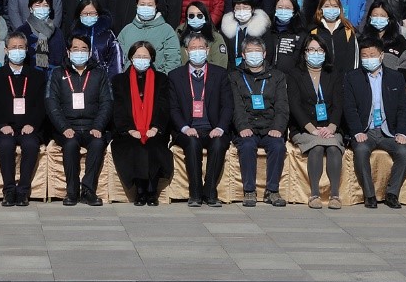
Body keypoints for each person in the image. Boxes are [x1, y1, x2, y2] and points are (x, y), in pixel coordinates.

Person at [342, 39, 406, 209]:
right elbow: (349, 108)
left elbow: (403, 108)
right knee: (361, 150)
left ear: (381, 56)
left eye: (372, 55)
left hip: (388, 131)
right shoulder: (352, 77)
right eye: (364, 56)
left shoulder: (396, 77)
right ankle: (369, 195)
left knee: (404, 152)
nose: (368, 59)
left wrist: (402, 132)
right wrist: (357, 131)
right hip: (366, 130)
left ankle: (392, 194)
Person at [46, 33, 113, 206]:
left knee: (97, 144)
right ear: (68, 52)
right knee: (70, 145)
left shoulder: (99, 74)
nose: (80, 52)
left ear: (89, 52)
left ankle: (88, 190)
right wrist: (64, 127)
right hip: (68, 127)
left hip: (92, 127)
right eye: (75, 49)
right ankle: (72, 191)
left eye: (84, 49)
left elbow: (107, 103)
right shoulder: (57, 73)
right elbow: (51, 103)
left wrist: (98, 126)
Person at [169, 33, 233, 207]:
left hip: (213, 127)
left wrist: (220, 127)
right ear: (186, 51)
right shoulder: (175, 76)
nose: (197, 51)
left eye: (200, 48)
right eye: (193, 48)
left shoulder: (220, 74)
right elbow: (173, 108)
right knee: (192, 143)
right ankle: (195, 193)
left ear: (207, 50)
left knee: (219, 144)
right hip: (188, 128)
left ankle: (210, 192)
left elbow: (227, 106)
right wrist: (184, 127)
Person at [0, 31, 47, 206]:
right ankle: (9, 190)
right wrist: (1, 125)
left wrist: (33, 124)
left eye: (21, 47)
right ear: (6, 50)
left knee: (31, 144)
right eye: (13, 47)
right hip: (5, 127)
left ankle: (23, 191)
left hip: (29, 126)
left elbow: (42, 105)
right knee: (5, 145)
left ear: (27, 50)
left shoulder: (37, 76)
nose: (17, 51)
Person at [110, 40, 173, 206]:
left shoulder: (161, 79)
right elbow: (119, 108)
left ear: (152, 58)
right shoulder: (119, 80)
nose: (141, 59)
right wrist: (130, 129)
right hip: (128, 130)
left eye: (145, 56)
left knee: (153, 144)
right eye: (138, 56)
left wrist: (156, 127)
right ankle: (140, 190)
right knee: (136, 146)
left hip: (154, 129)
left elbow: (163, 106)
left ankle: (151, 190)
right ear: (131, 58)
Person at [230, 35, 289, 207]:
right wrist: (242, 126)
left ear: (264, 54)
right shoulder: (235, 76)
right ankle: (249, 190)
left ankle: (272, 191)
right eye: (249, 51)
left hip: (270, 126)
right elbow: (236, 106)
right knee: (247, 145)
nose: (253, 55)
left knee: (278, 146)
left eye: (257, 51)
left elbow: (282, 106)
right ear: (243, 54)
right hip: (247, 126)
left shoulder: (277, 76)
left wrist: (278, 128)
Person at [287, 36, 345, 209]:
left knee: (334, 148)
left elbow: (339, 104)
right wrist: (312, 129)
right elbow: (295, 105)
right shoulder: (294, 74)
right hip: (304, 127)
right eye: (311, 50)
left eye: (319, 50)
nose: (316, 53)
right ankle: (314, 194)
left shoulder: (334, 73)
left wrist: (331, 127)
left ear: (325, 53)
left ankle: (335, 195)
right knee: (317, 147)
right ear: (304, 53)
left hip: (330, 126)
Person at [54, 0, 122, 75]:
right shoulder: (74, 34)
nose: (88, 16)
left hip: (102, 78)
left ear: (98, 14)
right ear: (79, 15)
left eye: (92, 13)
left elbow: (116, 60)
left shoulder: (108, 35)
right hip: (77, 77)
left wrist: (111, 79)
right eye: (85, 13)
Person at [117, 0, 179, 75]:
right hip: (129, 79)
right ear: (137, 6)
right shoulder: (127, 30)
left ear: (156, 6)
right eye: (142, 4)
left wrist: (163, 78)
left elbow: (173, 59)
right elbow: (117, 58)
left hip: (157, 79)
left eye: (150, 5)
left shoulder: (167, 30)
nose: (146, 8)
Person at [359, 3, 406, 81]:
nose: (378, 18)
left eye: (382, 16)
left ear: (389, 18)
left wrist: (392, 78)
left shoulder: (399, 41)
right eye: (375, 15)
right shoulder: (362, 40)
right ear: (370, 18)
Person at [219, 0, 271, 71]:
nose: (241, 11)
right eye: (238, 8)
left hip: (255, 71)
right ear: (234, 10)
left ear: (252, 9)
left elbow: (269, 54)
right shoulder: (227, 29)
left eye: (245, 7)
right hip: (232, 71)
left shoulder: (262, 29)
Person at [308, 0, 358, 73]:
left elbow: (354, 57)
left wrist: (350, 76)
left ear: (339, 9)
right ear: (321, 9)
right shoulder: (313, 31)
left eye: (335, 6)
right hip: (322, 75)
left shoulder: (348, 30)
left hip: (344, 77)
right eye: (327, 6)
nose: (331, 9)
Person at [264, 0, 308, 74]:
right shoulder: (267, 31)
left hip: (291, 77)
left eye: (287, 8)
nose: (283, 10)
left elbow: (302, 60)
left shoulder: (301, 34)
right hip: (269, 76)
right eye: (280, 7)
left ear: (294, 11)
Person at [178, 2, 227, 67]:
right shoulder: (179, 34)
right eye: (191, 16)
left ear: (205, 17)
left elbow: (220, 63)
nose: (195, 18)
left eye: (199, 15)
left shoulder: (215, 37)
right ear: (187, 18)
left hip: (210, 72)